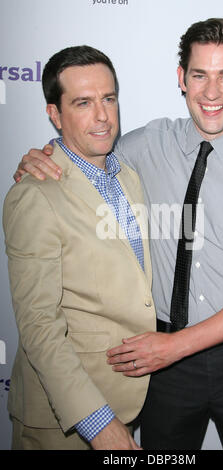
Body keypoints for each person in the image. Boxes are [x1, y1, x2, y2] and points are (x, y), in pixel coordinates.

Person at [14, 19, 223, 450]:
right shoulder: (140, 146)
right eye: (199, 74)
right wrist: (39, 156)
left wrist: (175, 347)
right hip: (159, 369)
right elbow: (84, 153)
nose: (211, 92)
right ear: (181, 78)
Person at [3, 45, 156, 450]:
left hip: (124, 397)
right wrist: (98, 422)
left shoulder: (128, 177)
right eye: (83, 103)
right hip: (65, 418)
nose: (102, 116)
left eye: (108, 99)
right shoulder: (34, 195)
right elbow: (39, 326)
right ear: (54, 114)